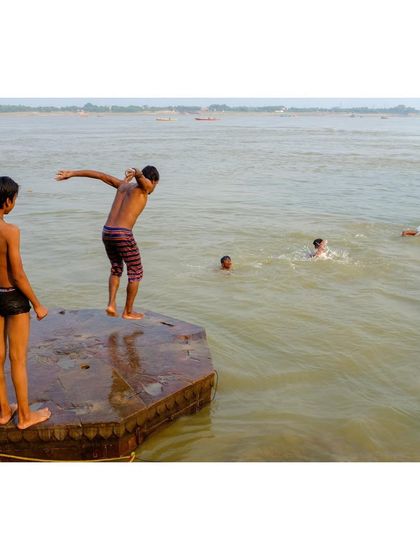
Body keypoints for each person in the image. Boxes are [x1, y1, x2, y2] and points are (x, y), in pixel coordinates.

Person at [55, 166, 159, 319]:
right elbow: (144, 182)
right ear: (154, 181)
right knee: (136, 271)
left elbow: (100, 175)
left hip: (107, 231)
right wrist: (138, 173)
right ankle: (128, 312)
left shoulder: (123, 185)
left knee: (116, 268)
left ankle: (111, 304)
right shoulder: (145, 187)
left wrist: (72, 174)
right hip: (122, 233)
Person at [0, 177, 51, 429]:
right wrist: (37, 303)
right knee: (17, 359)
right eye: (15, 199)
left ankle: (3, 412)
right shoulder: (10, 231)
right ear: (7, 201)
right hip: (12, 297)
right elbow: (17, 274)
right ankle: (25, 417)